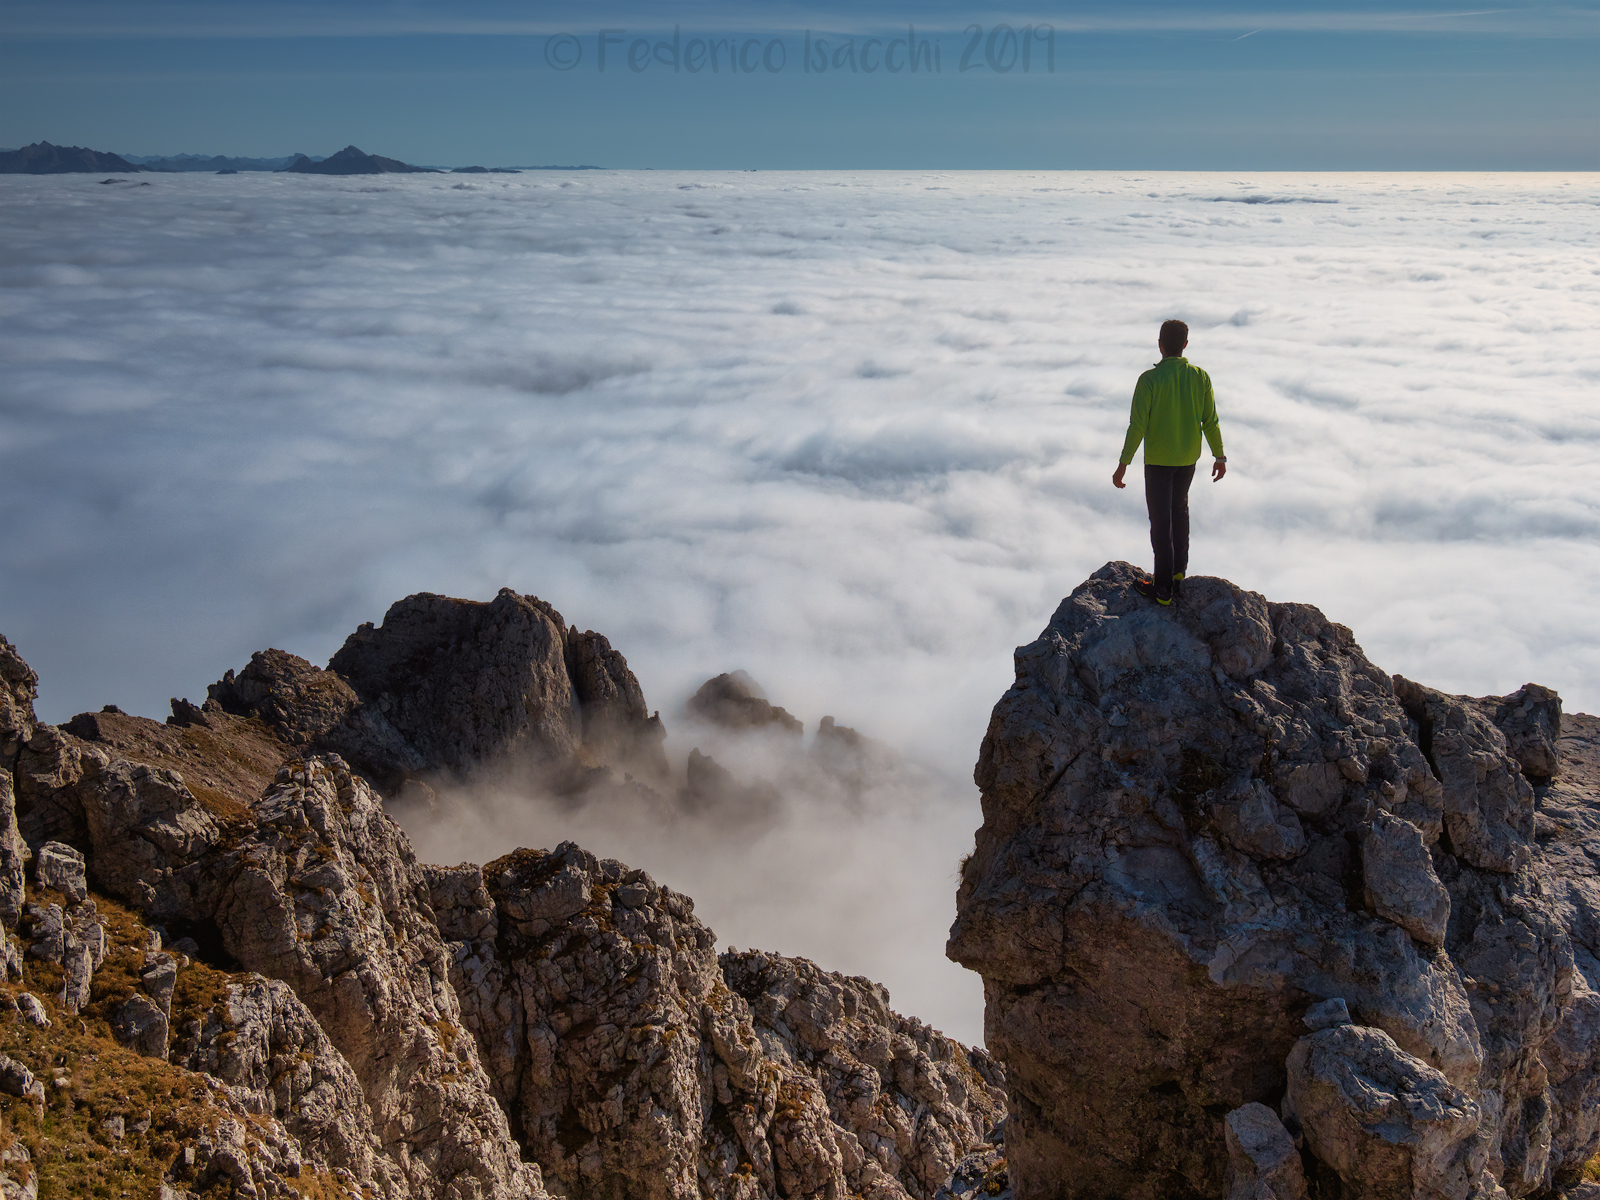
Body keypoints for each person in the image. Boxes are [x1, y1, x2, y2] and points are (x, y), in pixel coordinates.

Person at [1112, 319, 1226, 606]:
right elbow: (1209, 421)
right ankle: (1177, 573)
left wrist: (1123, 463)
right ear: (1185, 345)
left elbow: (1137, 426)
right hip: (1187, 459)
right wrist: (1219, 456)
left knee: (1161, 521)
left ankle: (1162, 589)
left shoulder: (1149, 380)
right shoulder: (1200, 377)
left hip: (1159, 462)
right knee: (1180, 511)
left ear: (1159, 343)